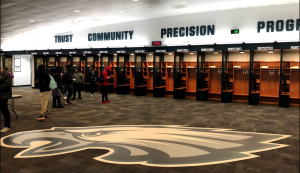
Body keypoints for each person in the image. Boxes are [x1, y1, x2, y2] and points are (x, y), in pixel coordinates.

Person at [0, 67, 12, 132]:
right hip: (1, 95)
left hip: (4, 96)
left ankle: (7, 126)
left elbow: (8, 85)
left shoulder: (7, 74)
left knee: (5, 110)